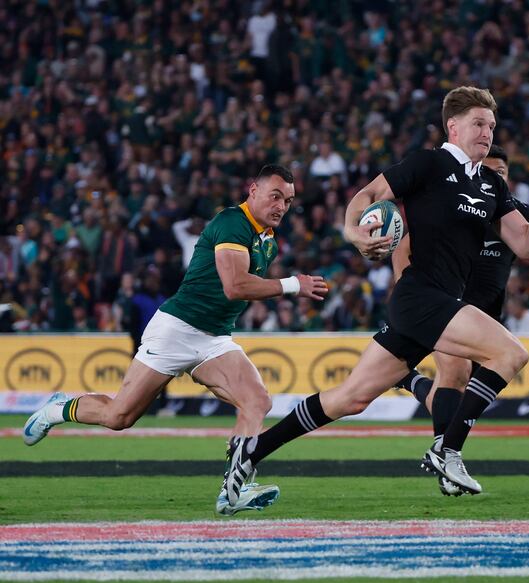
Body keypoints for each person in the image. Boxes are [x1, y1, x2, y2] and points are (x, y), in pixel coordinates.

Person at [220, 86, 529, 504]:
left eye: (491, 125)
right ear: (453, 126)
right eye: (478, 124)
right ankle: (447, 449)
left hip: (433, 304)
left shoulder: (491, 184)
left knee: (350, 398)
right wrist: (352, 232)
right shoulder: (427, 164)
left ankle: (252, 451)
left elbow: (526, 245)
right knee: (510, 354)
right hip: (420, 296)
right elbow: (368, 196)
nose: (487, 132)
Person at [22, 164, 328, 514]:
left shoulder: (268, 240)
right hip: (176, 330)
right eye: (275, 196)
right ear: (252, 190)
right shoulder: (232, 222)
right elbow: (234, 286)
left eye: (287, 201)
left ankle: (232, 492)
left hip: (214, 339)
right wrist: (292, 285)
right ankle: (58, 408)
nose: (281, 207)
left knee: (257, 401)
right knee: (119, 417)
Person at [392, 144, 529, 496]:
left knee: (454, 388)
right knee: (455, 375)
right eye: (486, 170)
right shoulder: (454, 204)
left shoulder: (517, 215)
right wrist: (409, 293)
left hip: (486, 316)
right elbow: (402, 248)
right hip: (446, 305)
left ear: (507, 176)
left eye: (499, 172)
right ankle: (446, 459)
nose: (492, 177)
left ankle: (411, 382)